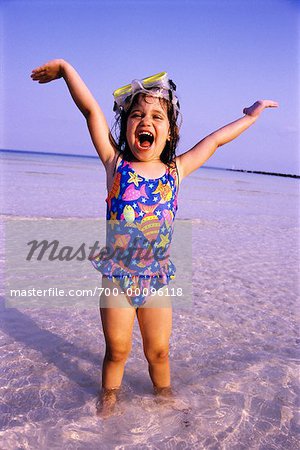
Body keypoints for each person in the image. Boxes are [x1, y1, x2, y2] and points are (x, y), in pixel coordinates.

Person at [31, 59, 278, 416]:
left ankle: (164, 396)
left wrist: (251, 117)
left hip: (157, 278)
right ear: (127, 125)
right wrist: (68, 70)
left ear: (170, 133)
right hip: (117, 276)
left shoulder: (176, 170)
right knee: (117, 350)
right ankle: (109, 398)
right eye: (136, 115)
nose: (146, 121)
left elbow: (215, 141)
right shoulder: (116, 164)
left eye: (157, 117)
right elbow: (90, 111)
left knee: (158, 351)